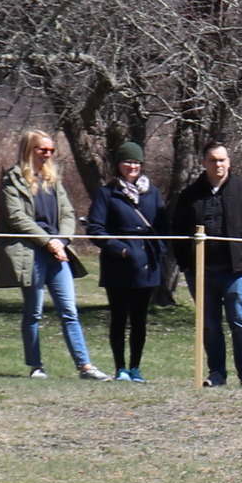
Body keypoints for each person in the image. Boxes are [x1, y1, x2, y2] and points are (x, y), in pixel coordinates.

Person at [0, 130, 102, 379]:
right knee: (34, 311)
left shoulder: (53, 180)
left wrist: (61, 241)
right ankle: (36, 366)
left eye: (51, 150)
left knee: (69, 311)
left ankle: (85, 366)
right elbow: (16, 218)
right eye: (43, 149)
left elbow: (67, 213)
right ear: (29, 150)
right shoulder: (12, 180)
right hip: (31, 253)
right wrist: (47, 242)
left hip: (57, 252)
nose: (48, 154)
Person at [172, 144, 242, 388]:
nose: (218, 164)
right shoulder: (189, 195)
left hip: (236, 273)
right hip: (202, 273)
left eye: (222, 160)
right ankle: (216, 374)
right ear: (203, 162)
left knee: (239, 321)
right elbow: (176, 231)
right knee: (209, 326)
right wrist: (187, 265)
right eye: (212, 160)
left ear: (229, 162)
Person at [88, 143, 167, 380]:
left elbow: (163, 227)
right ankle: (120, 367)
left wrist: (159, 249)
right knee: (119, 318)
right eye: (127, 162)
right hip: (118, 266)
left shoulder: (152, 192)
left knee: (140, 320)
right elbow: (95, 228)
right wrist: (119, 249)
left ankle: (136, 367)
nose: (132, 167)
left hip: (146, 265)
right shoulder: (107, 192)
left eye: (136, 163)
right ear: (118, 165)